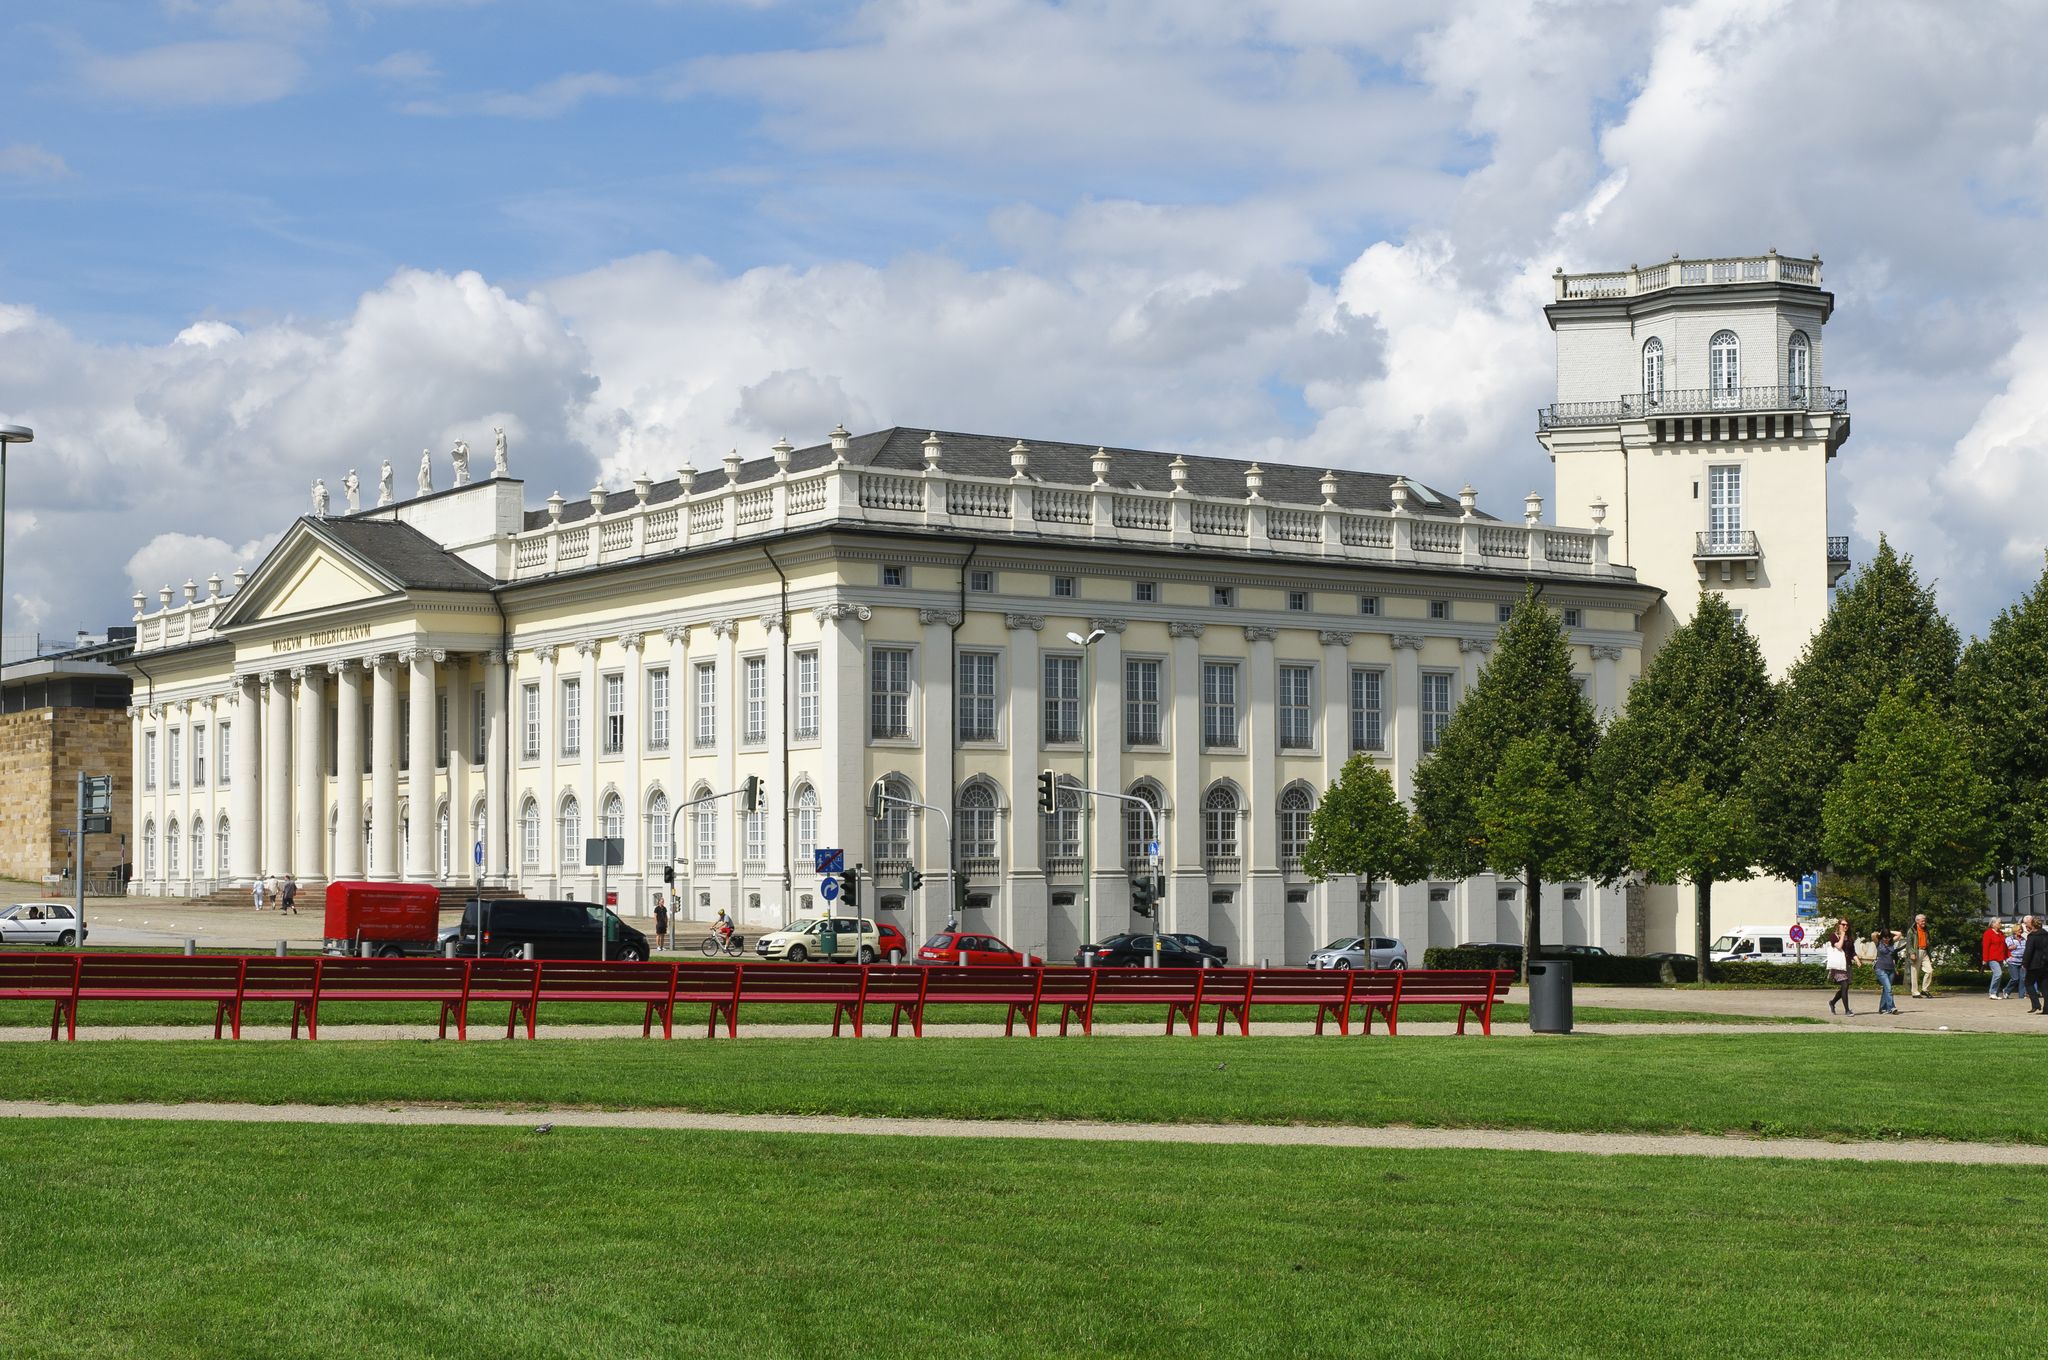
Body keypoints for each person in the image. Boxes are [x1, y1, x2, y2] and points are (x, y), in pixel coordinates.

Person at [1823, 921, 1854, 1016]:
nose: (1845, 926)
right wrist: (1842, 934)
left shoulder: (1849, 938)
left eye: (1847, 925)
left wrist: (1857, 960)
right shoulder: (1833, 936)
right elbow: (1839, 946)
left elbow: (1852, 951)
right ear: (1839, 925)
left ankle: (1832, 1002)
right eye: (1843, 924)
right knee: (1844, 985)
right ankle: (1847, 1010)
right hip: (1838, 965)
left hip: (1847, 965)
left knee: (1845, 988)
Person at [1871, 930, 1901, 1015]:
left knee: (1886, 989)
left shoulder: (1891, 942)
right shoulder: (1879, 943)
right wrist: (1880, 933)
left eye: (1888, 937)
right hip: (1880, 968)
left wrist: (1889, 931)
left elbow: (1899, 934)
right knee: (1888, 988)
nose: (1887, 939)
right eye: (1885, 937)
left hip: (1891, 969)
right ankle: (1892, 1007)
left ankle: (1883, 1008)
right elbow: (1873, 935)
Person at [1907, 913, 1935, 998]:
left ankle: (1924, 989)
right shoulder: (1912, 930)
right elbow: (1909, 943)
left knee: (1929, 971)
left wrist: (1930, 952)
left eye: (1925, 920)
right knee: (1915, 973)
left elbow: (1928, 941)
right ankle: (1915, 992)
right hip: (1916, 951)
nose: (1924, 922)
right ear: (1917, 921)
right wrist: (1912, 953)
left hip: (1925, 952)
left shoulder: (1926, 929)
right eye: (1922, 920)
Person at [2023, 917, 2048, 1015]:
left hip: (2034, 964)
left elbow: (2028, 951)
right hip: (2045, 964)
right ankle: (2046, 1009)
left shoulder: (2032, 936)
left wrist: (2025, 963)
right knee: (2045, 987)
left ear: (2033, 925)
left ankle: (2036, 1004)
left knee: (2028, 983)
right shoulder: (2046, 935)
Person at [1984, 918, 2011, 999]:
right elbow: (1985, 947)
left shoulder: (2000, 933)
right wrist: (1985, 959)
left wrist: (2008, 956)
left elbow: (2004, 946)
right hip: (1992, 958)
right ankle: (1992, 992)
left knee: (1998, 975)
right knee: (1998, 974)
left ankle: (1995, 993)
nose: (2001, 924)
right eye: (1999, 923)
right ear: (1993, 924)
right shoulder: (1988, 933)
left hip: (2000, 957)